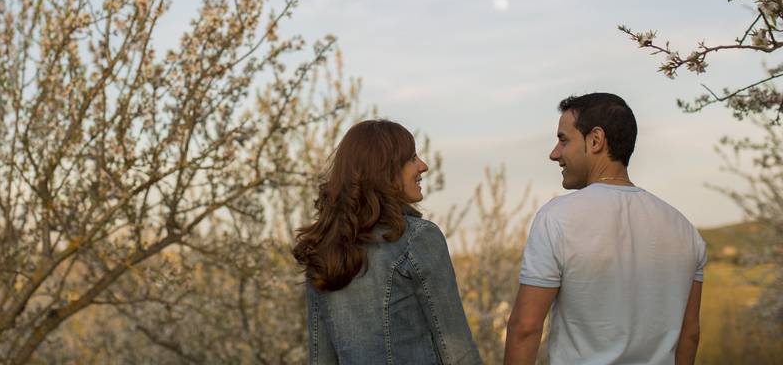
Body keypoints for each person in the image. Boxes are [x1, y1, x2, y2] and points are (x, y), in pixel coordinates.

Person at [504, 93, 706, 365]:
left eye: (563, 140)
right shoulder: (685, 230)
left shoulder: (557, 218)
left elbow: (525, 329)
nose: (554, 154)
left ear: (595, 140)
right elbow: (689, 334)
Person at [292, 119, 482, 365]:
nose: (423, 166)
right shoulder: (418, 238)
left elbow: (321, 359)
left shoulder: (325, 248)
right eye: (412, 158)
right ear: (386, 170)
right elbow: (457, 350)